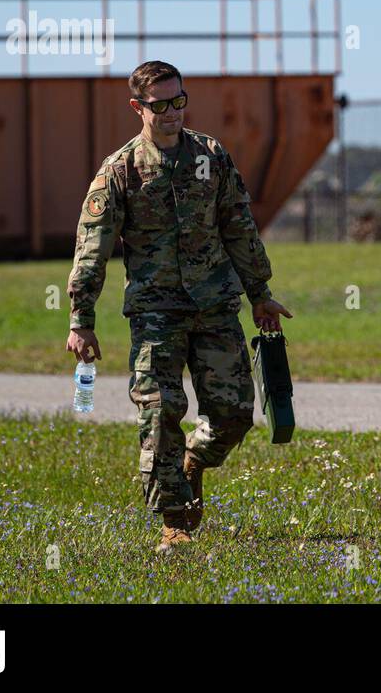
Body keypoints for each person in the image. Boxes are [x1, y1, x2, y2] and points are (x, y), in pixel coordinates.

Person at [64, 60, 292, 553]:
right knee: (160, 411)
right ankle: (175, 521)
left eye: (179, 101)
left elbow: (239, 227)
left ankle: (192, 464)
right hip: (155, 313)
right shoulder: (119, 171)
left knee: (233, 413)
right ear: (138, 107)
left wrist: (260, 294)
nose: (172, 113)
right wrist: (81, 320)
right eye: (161, 104)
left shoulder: (212, 155)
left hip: (214, 307)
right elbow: (93, 247)